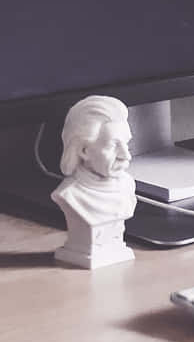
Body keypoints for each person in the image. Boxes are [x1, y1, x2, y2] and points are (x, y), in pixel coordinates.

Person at [52, 95, 136, 268]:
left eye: (127, 144)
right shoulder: (69, 195)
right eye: (113, 146)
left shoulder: (128, 186)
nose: (126, 156)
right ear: (84, 151)